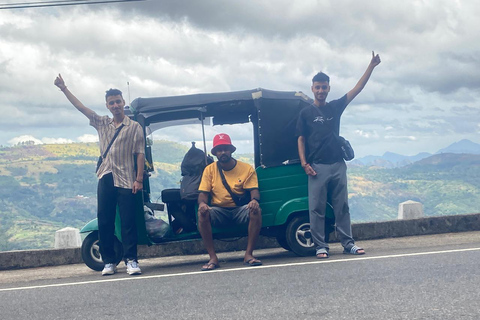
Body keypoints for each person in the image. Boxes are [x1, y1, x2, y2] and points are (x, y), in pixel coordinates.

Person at [54, 74, 145, 275]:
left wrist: (139, 179)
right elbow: (81, 108)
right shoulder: (102, 123)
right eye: (111, 103)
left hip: (127, 178)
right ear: (107, 106)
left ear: (123, 103)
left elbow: (140, 153)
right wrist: (64, 88)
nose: (115, 106)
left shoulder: (134, 127)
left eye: (118, 102)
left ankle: (132, 260)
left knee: (128, 221)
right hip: (106, 176)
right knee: (105, 220)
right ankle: (109, 261)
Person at [296, 52, 381, 259]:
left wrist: (371, 66)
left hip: (338, 164)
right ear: (312, 89)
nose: (321, 91)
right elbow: (300, 139)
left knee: (342, 206)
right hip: (317, 167)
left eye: (324, 87)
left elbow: (357, 89)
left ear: (329, 88)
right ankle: (320, 246)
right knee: (316, 209)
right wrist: (304, 163)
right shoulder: (305, 113)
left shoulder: (335, 107)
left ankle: (348, 243)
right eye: (317, 87)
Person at [197, 133, 262, 270]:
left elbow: (254, 191)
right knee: (202, 214)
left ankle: (249, 255)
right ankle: (213, 258)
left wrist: (254, 200)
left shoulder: (246, 168)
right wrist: (202, 204)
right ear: (215, 153)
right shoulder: (209, 170)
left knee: (256, 210)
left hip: (240, 210)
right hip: (219, 210)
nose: (223, 152)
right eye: (219, 150)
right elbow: (203, 195)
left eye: (226, 149)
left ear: (231, 150)